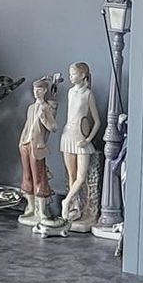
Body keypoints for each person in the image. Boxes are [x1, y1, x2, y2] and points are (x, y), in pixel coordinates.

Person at [59, 62, 102, 232]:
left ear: (83, 75)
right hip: (68, 135)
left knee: (81, 176)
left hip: (81, 138)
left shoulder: (88, 94)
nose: (71, 77)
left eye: (74, 74)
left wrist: (88, 139)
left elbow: (97, 122)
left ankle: (66, 201)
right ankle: (74, 207)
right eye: (70, 74)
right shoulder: (70, 92)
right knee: (71, 174)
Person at [16, 74, 62, 227]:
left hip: (37, 146)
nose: (36, 92)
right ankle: (30, 207)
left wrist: (44, 119)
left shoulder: (46, 108)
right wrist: (21, 142)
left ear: (44, 91)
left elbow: (53, 127)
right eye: (34, 89)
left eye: (39, 90)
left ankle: (41, 211)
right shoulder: (30, 108)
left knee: (39, 177)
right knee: (27, 175)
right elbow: (27, 126)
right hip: (26, 144)